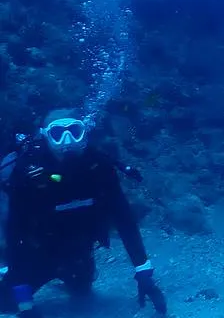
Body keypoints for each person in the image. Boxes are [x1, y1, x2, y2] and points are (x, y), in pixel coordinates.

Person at [0, 110, 166, 315]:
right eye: (58, 133)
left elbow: (124, 220)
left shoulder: (100, 167)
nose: (67, 140)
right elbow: (14, 232)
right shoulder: (28, 173)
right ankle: (8, 275)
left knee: (81, 289)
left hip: (78, 253)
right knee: (6, 303)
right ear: (45, 137)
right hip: (36, 254)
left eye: (74, 131)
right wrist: (24, 301)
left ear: (84, 133)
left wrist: (143, 272)